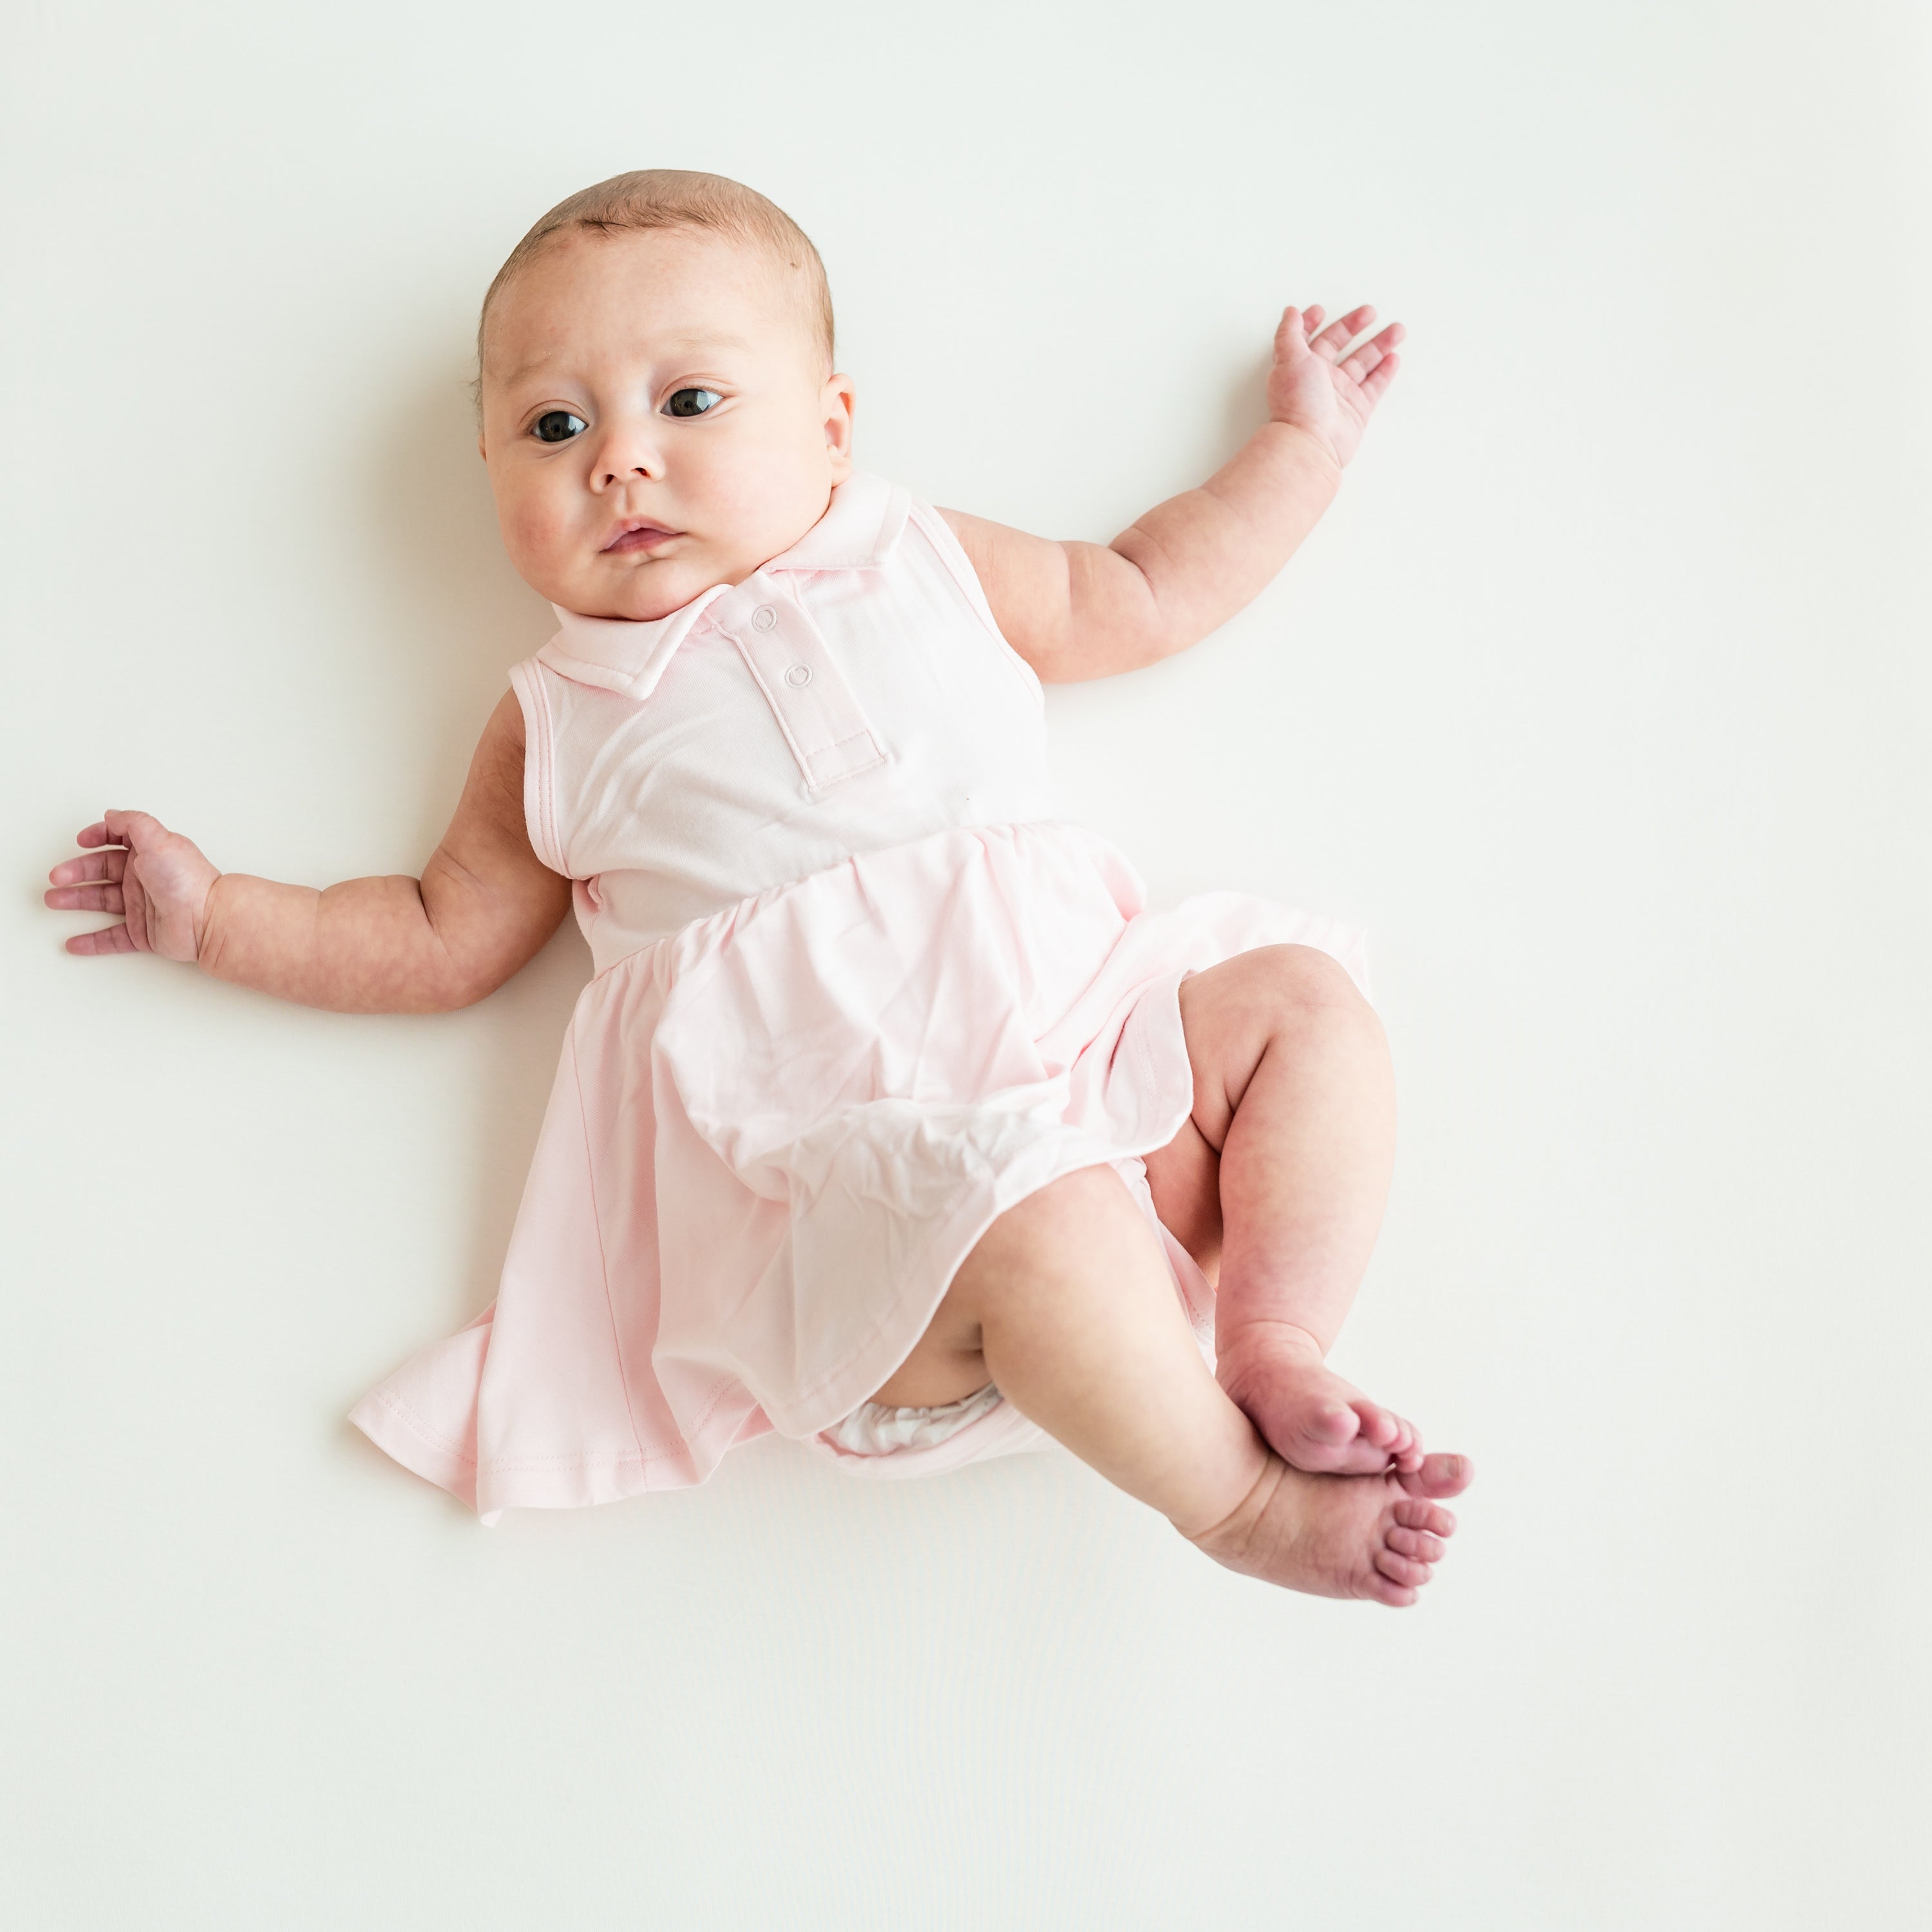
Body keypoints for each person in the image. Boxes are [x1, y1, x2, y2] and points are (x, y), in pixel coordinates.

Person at [43, 170, 1471, 1604]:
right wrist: (218, 914)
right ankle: (1236, 1504)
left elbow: (1146, 589)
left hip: (1106, 1084)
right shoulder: (555, 718)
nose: (620, 462)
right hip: (870, 1227)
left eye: (691, 403)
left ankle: (1273, 1343)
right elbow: (435, 937)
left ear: (834, 430)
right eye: (555, 426)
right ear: (489, 473)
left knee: (1301, 1004)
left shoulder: (924, 559)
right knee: (1027, 1214)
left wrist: (1302, 445)